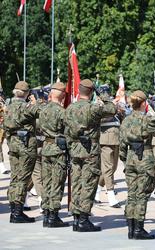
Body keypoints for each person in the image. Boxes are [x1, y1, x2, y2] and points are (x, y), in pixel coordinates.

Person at [64, 79, 116, 232]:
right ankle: (83, 219)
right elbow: (111, 109)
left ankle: (76, 217)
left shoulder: (70, 108)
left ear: (79, 91)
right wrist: (103, 95)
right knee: (89, 184)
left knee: (77, 183)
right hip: (90, 151)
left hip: (74, 149)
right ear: (92, 92)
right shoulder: (93, 108)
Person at [119, 90, 155, 240]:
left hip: (130, 157)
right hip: (145, 158)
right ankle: (138, 230)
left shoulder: (126, 120)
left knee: (131, 194)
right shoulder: (147, 119)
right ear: (143, 103)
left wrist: (124, 159)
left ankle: (130, 228)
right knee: (142, 195)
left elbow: (122, 143)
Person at [4, 81, 41, 223]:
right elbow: (41, 112)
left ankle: (14, 209)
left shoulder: (8, 107)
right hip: (26, 147)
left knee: (15, 177)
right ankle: (17, 212)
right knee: (23, 179)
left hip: (13, 146)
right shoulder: (26, 107)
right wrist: (35, 101)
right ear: (26, 93)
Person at [39, 82, 69, 228]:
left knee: (47, 182)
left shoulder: (43, 110)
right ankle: (53, 216)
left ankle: (46, 213)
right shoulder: (62, 112)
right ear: (63, 95)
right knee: (57, 183)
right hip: (58, 149)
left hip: (46, 148)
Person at [96, 85, 123, 208]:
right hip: (105, 139)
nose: (107, 95)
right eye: (105, 93)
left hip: (116, 139)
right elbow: (98, 120)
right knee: (107, 168)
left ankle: (96, 191)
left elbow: (123, 116)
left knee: (112, 168)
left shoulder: (113, 104)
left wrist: (120, 110)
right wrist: (112, 109)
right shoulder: (98, 105)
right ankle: (111, 195)